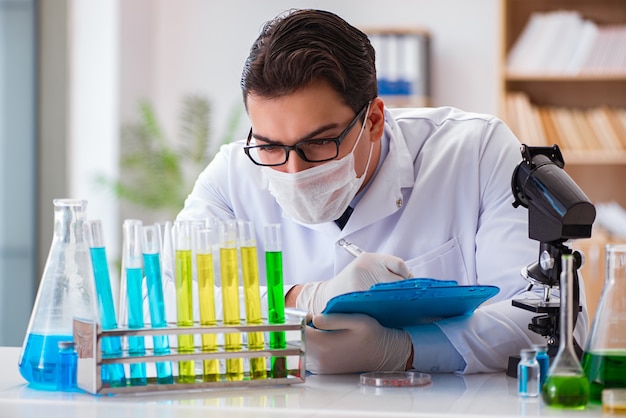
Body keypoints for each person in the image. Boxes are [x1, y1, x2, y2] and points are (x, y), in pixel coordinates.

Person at [177, 8, 589, 374]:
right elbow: (163, 300)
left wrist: (404, 350)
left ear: (373, 119)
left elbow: (553, 318)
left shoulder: (477, 151)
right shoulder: (232, 175)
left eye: (319, 143)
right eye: (269, 146)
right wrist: (304, 297)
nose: (293, 169)